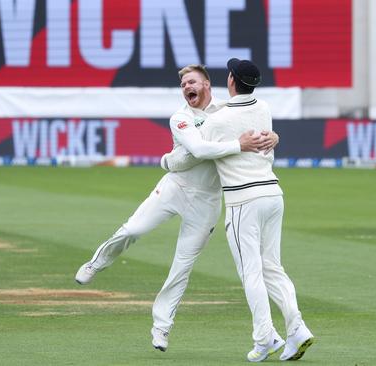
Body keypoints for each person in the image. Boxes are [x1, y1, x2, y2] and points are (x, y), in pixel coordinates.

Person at [74, 64, 279, 351]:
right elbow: (199, 151)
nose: (186, 88)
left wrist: (274, 137)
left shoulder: (226, 110)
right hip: (174, 188)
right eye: (183, 85)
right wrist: (235, 145)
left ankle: (161, 327)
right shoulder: (180, 118)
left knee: (182, 267)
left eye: (192, 82)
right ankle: (96, 263)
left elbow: (255, 134)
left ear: (207, 84)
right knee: (133, 229)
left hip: (207, 200)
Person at [162, 58, 314, 362]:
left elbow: (195, 153)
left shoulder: (218, 120)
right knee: (272, 266)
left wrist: (166, 161)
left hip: (243, 199)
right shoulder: (264, 108)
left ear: (231, 80)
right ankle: (296, 329)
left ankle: (264, 339)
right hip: (273, 193)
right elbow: (267, 137)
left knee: (251, 272)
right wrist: (275, 137)